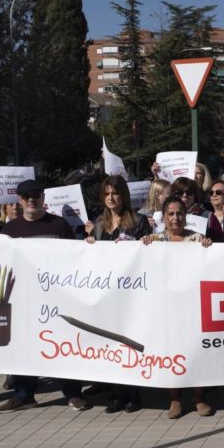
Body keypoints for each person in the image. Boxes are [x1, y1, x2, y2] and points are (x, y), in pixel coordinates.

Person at [0, 180, 90, 413]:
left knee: (62, 346)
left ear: (43, 198)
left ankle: (73, 394)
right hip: (22, 301)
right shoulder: (9, 231)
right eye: (26, 196)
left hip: (55, 299)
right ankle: (24, 395)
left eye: (35, 195)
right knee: (23, 347)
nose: (31, 200)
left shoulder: (59, 225)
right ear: (19, 200)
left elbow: (74, 261)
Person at [83, 175, 152, 414]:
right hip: (106, 292)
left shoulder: (139, 221)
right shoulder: (99, 222)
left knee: (128, 344)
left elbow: (146, 255)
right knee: (109, 344)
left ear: (124, 195)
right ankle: (117, 394)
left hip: (130, 293)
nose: (111, 198)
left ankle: (133, 395)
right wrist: (89, 241)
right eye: (107, 194)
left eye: (115, 193)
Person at [142, 196, 215, 419]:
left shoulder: (196, 240)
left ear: (186, 216)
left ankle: (198, 397)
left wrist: (208, 248)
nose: (175, 218)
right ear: (163, 217)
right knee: (170, 352)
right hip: (165, 308)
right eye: (171, 214)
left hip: (192, 306)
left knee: (194, 350)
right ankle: (174, 399)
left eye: (179, 213)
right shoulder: (154, 241)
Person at [170, 176, 224, 241]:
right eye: (180, 192)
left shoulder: (208, 216)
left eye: (189, 192)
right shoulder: (166, 215)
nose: (185, 195)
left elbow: (220, 242)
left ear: (195, 194)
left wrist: (209, 241)